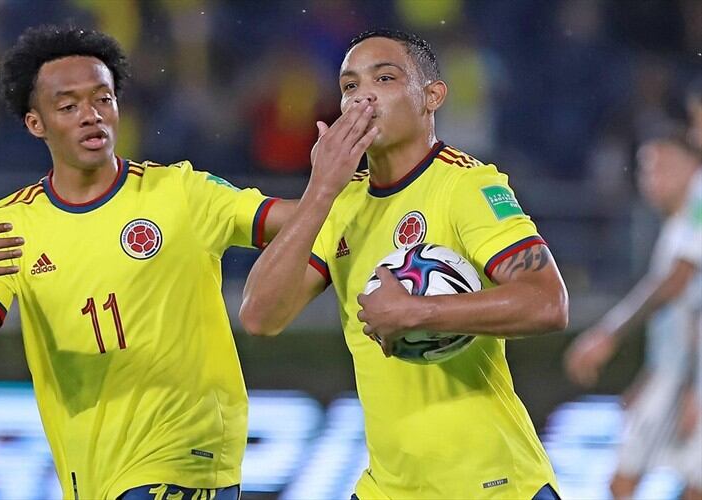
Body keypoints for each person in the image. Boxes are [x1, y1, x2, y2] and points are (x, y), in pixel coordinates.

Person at [0, 25, 294, 499]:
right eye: (68, 106)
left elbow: (290, 220)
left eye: (103, 100)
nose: (91, 116)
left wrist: (334, 184)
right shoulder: (10, 225)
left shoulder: (179, 193)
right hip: (94, 475)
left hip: (184, 457)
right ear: (35, 123)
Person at [240, 29, 569, 499]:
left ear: (431, 96)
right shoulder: (341, 203)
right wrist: (320, 190)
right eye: (350, 86)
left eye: (385, 78)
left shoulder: (467, 187)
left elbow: (548, 303)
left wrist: (419, 312)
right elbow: (260, 315)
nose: (363, 97)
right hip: (389, 487)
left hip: (490, 483)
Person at [565, 134, 701, 500]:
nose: (652, 178)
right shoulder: (681, 223)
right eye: (646, 168)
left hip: (685, 379)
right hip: (675, 374)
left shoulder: (700, 199)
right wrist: (651, 376)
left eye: (663, 166)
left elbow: (678, 281)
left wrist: (608, 333)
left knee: (634, 481)